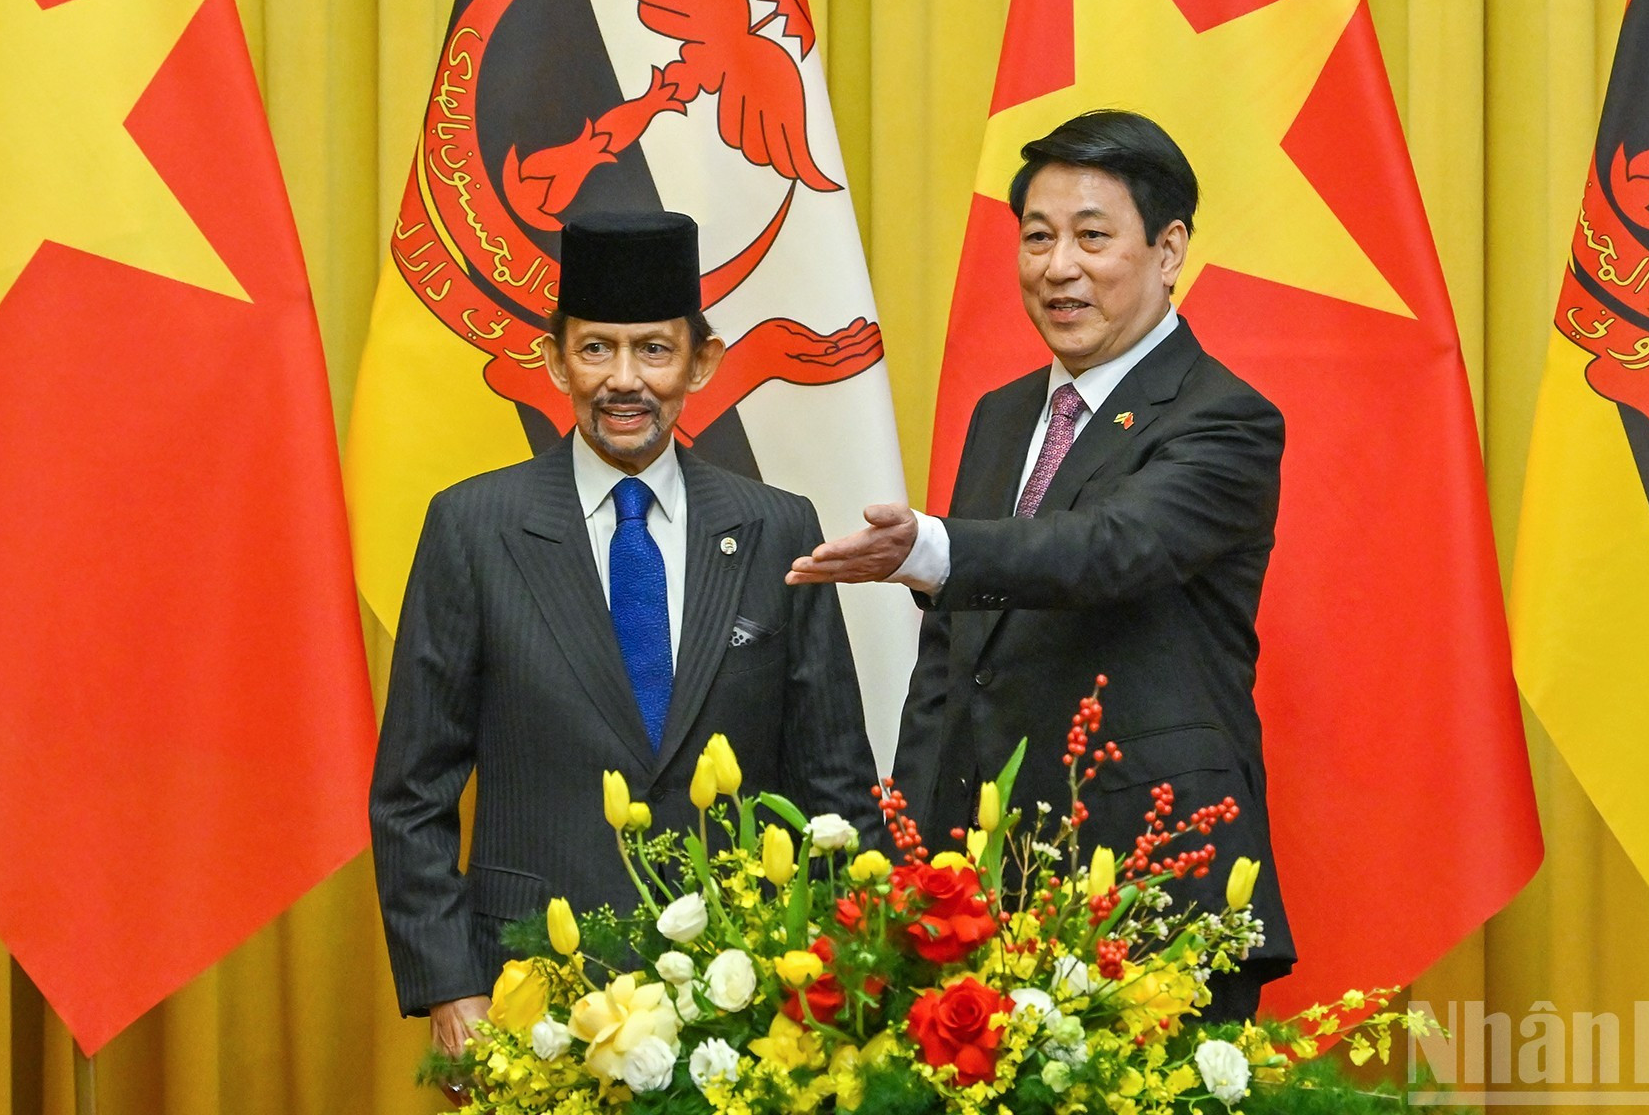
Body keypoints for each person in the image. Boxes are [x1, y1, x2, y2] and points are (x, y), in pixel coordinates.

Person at [787, 110, 1292, 1017]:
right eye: (1038, 238)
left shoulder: (1224, 418)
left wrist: (932, 546)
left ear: (1169, 249)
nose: (1059, 267)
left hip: (1148, 880)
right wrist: (910, 859)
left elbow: (1111, 548)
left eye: (1093, 238)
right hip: (980, 892)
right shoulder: (1004, 414)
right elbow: (956, 660)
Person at [372, 210, 883, 1055]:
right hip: (530, 993)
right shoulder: (474, 527)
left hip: (741, 997)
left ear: (702, 361)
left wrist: (848, 970)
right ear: (553, 359)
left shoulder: (777, 530)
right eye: (596, 348)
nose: (624, 379)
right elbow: (412, 791)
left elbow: (834, 783)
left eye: (654, 349)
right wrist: (448, 985)